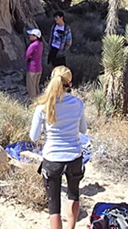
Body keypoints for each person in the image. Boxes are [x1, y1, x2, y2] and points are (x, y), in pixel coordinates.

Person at [30, 66, 87, 229]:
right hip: (74, 155)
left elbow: (33, 136)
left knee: (54, 205)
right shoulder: (77, 103)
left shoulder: (43, 106)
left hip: (52, 157)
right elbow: (83, 129)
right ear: (70, 83)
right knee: (73, 195)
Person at [25, 28, 44, 99]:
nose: (29, 36)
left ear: (35, 36)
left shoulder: (33, 45)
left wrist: (29, 57)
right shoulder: (40, 44)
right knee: (36, 86)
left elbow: (26, 56)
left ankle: (33, 102)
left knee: (31, 87)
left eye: (31, 35)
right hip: (39, 68)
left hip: (31, 68)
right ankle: (38, 100)